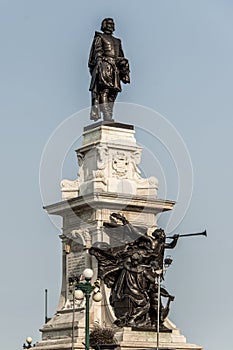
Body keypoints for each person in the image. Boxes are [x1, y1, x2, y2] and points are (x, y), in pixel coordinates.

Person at [88, 18, 130, 121]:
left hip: (115, 68)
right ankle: (107, 115)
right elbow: (97, 52)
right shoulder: (100, 37)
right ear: (104, 25)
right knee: (104, 91)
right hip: (105, 66)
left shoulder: (117, 41)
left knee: (113, 92)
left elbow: (120, 55)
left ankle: (109, 114)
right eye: (109, 24)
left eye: (112, 24)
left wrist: (123, 64)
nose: (111, 26)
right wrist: (99, 65)